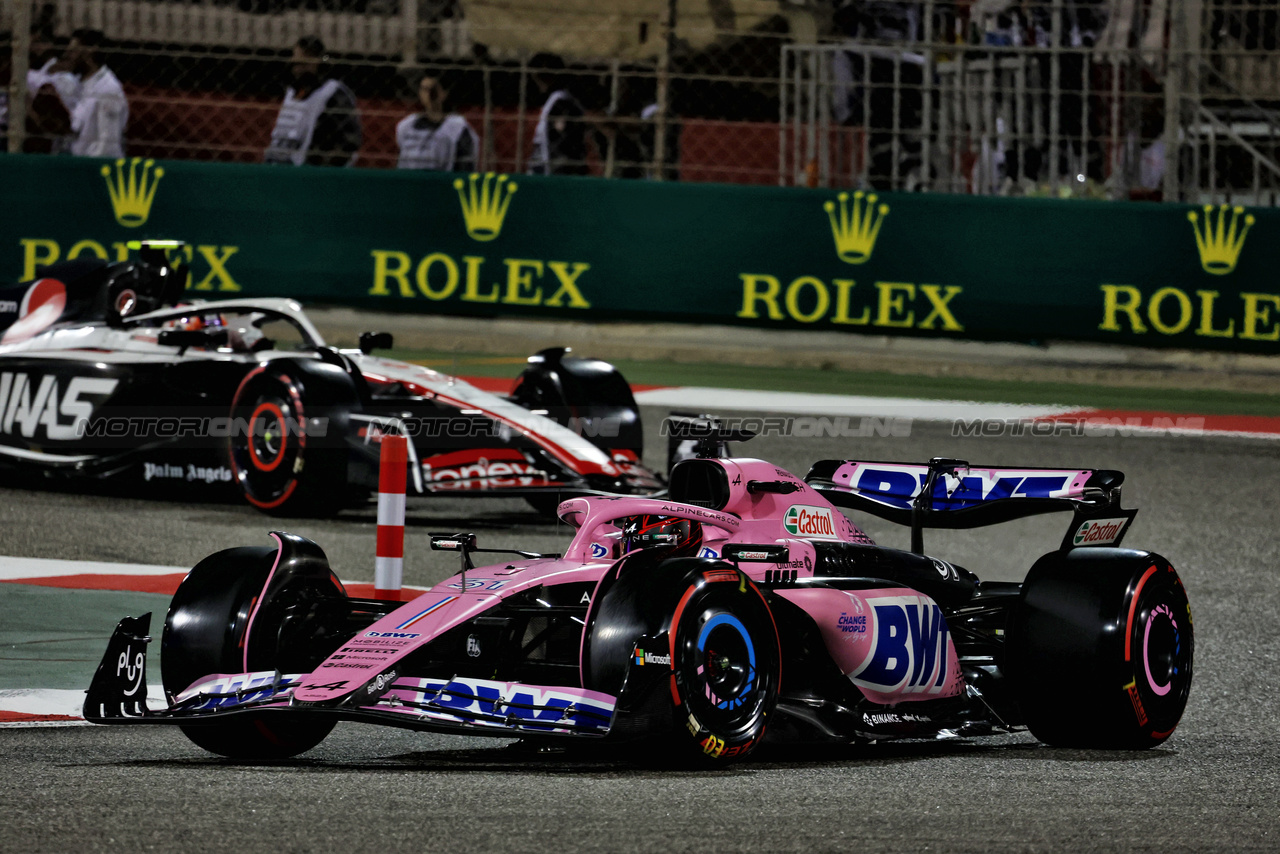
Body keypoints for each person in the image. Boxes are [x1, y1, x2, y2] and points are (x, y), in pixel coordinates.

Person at [264, 36, 362, 167]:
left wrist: (320, 169)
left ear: (318, 62)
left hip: (310, 173)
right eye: (296, 64)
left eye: (304, 64)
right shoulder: (292, 92)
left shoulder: (333, 93)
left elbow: (349, 143)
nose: (298, 70)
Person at [59, 29, 126, 158]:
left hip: (94, 168)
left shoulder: (108, 89)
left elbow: (108, 145)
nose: (67, 56)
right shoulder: (80, 86)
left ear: (89, 51)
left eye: (73, 51)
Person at [395, 70, 478, 171]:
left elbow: (466, 164)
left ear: (444, 93)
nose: (429, 95)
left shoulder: (457, 127)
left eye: (433, 90)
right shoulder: (407, 125)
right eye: (424, 89)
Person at [526, 52, 587, 176]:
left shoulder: (561, 101)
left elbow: (562, 132)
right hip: (547, 162)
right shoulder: (555, 100)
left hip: (556, 166)